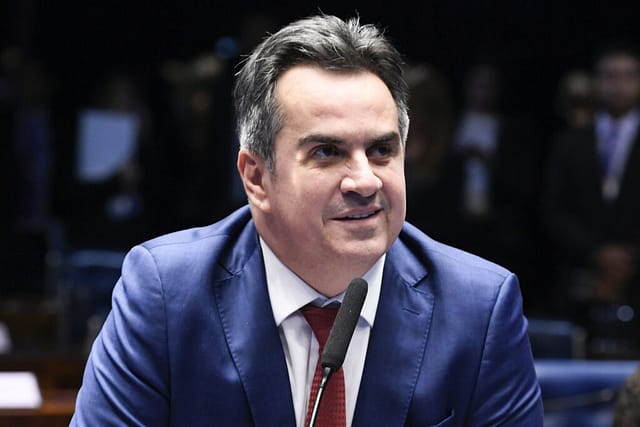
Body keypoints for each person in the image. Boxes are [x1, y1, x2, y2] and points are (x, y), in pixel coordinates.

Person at [71, 15, 543, 426]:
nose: (365, 180)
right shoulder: (166, 295)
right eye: (327, 152)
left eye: (382, 150)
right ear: (256, 178)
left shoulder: (480, 309)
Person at [541, 42, 640, 358]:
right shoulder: (569, 142)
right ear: (596, 82)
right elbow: (552, 209)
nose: (618, 85)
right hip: (580, 280)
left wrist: (628, 259)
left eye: (627, 75)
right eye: (609, 76)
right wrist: (598, 253)